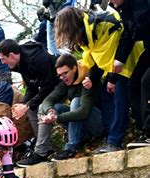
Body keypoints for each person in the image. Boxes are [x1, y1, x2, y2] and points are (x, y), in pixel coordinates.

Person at [54, 7, 143, 153]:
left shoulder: (101, 25)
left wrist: (112, 79)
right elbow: (97, 58)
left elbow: (114, 52)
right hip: (113, 66)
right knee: (107, 97)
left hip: (126, 60)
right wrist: (91, 77)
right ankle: (110, 137)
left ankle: (115, 141)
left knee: (120, 99)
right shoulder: (87, 33)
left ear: (71, 26)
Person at [18, 54, 103, 166]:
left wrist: (57, 118)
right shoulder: (65, 82)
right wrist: (50, 111)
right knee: (56, 107)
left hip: (97, 124)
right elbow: (48, 100)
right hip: (84, 127)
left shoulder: (87, 80)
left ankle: (72, 146)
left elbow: (84, 112)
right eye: (60, 75)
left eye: (65, 73)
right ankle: (80, 138)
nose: (63, 77)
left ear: (74, 68)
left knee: (76, 102)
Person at [0, 39, 60, 138]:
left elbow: (47, 87)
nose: (2, 62)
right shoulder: (21, 62)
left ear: (12, 55)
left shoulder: (37, 59)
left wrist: (27, 105)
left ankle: (41, 149)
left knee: (39, 108)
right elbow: (31, 87)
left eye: (3, 58)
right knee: (30, 109)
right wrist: (22, 104)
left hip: (60, 84)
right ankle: (41, 144)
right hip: (49, 86)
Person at [108, 0, 150, 148]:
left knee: (147, 82)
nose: (110, 1)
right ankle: (145, 132)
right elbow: (129, 33)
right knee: (133, 85)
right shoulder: (125, 9)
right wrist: (119, 60)